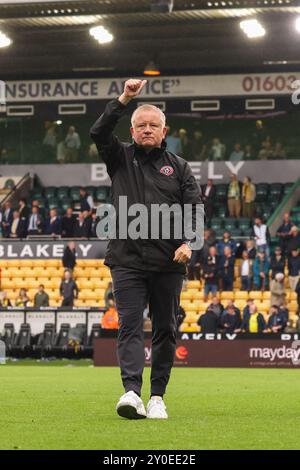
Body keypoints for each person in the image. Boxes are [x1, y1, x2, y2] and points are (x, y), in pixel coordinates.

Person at [90, 78, 203, 420]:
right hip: (126, 261)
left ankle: (157, 397)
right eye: (141, 126)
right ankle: (130, 393)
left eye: (154, 125)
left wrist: (189, 242)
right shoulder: (119, 157)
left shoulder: (180, 167)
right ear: (133, 129)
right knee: (129, 326)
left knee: (166, 329)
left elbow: (195, 206)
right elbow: (98, 131)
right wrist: (124, 98)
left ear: (164, 129)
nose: (147, 130)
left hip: (168, 263)